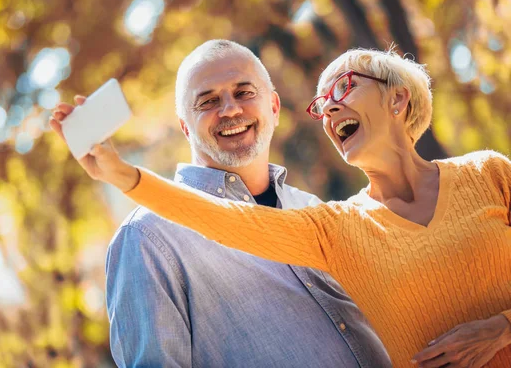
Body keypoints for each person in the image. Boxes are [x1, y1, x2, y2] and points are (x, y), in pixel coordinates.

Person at [52, 45, 511, 367]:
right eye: (207, 101)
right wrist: (122, 175)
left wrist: (501, 328)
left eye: (243, 92)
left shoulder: (488, 173)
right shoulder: (334, 225)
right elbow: (223, 222)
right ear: (184, 125)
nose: (229, 109)